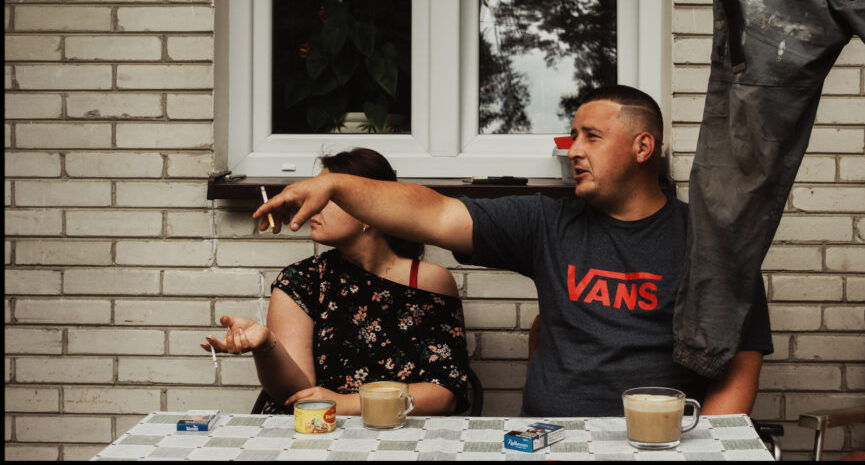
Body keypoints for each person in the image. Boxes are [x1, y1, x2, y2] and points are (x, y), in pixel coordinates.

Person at [254, 86, 772, 417]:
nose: (575, 150)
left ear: (643, 147)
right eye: (572, 137)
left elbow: (739, 370)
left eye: (591, 136)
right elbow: (433, 213)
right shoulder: (547, 221)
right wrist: (338, 186)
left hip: (657, 446)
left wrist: (698, 449)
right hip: (546, 445)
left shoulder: (710, 244)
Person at [202, 147, 471, 416]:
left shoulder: (426, 281)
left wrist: (345, 404)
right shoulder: (302, 281)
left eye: (329, 197)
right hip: (314, 435)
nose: (312, 206)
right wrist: (265, 345)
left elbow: (444, 394)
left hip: (398, 435)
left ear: (368, 210)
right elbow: (296, 394)